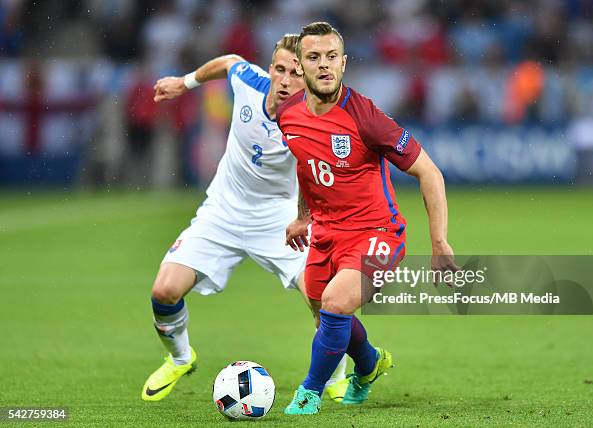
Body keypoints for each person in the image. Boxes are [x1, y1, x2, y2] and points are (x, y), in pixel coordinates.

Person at [141, 34, 347, 403]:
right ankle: (181, 358)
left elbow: (316, 174)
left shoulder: (314, 117)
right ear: (269, 69)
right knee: (164, 290)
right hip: (222, 211)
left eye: (297, 74)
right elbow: (228, 61)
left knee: (324, 297)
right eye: (280, 70)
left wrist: (305, 217)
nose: (286, 81)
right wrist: (183, 83)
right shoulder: (249, 81)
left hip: (279, 219)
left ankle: (335, 377)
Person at [278, 22, 457, 415]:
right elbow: (308, 166)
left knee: (336, 303)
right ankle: (370, 363)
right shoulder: (288, 115)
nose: (323, 66)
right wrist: (303, 216)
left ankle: (308, 392)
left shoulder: (366, 118)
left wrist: (440, 242)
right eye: (313, 58)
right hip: (326, 232)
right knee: (320, 306)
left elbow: (430, 173)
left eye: (331, 58)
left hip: (379, 234)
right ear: (301, 66)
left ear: (343, 64)